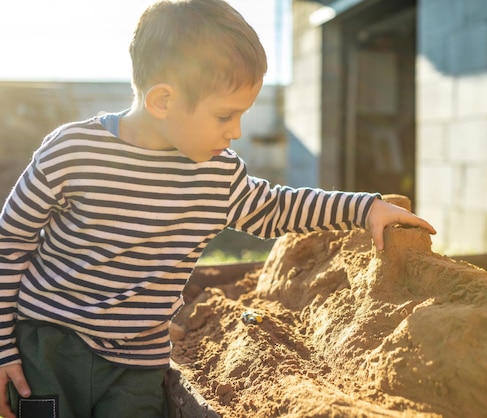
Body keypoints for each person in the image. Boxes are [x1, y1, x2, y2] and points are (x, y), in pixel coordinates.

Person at [0, 1, 436, 417]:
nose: (238, 131)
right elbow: (10, 242)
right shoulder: (72, 152)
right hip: (49, 347)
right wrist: (3, 346)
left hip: (138, 363)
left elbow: (276, 208)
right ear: (163, 101)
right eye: (226, 115)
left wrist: (365, 209)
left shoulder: (217, 175)